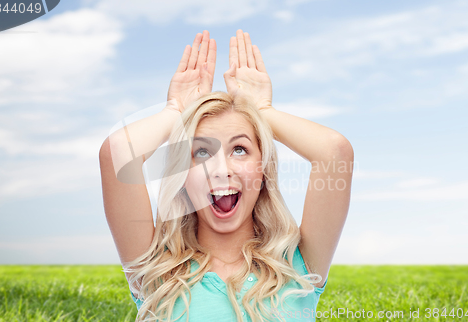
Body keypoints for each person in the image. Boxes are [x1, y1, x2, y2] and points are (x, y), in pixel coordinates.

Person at [99, 30, 354, 322]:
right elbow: (117, 153)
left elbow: (335, 152)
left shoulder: (298, 265)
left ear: (263, 168)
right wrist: (177, 111)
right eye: (202, 153)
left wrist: (261, 111)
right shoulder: (157, 271)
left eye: (240, 150)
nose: (222, 169)